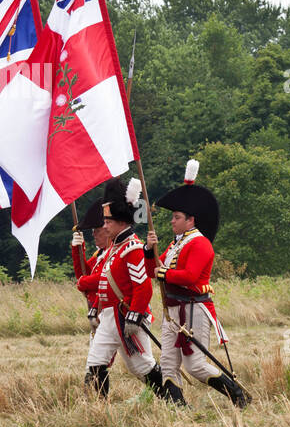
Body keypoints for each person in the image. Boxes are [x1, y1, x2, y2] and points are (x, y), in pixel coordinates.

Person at [145, 159, 245, 407]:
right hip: (172, 311)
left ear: (191, 220)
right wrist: (149, 251)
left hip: (193, 308)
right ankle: (179, 410)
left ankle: (238, 396)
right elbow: (153, 272)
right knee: (168, 363)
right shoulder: (175, 243)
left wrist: (165, 274)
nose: (172, 221)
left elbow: (189, 277)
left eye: (176, 217)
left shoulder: (200, 243)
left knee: (195, 365)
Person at [78, 179, 170, 399]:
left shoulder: (132, 248)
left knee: (142, 367)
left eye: (108, 221)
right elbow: (104, 285)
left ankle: (172, 400)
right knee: (95, 362)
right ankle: (99, 410)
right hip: (109, 316)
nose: (105, 225)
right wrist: (96, 310)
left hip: (126, 316)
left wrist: (135, 314)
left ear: (120, 221)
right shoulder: (115, 248)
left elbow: (143, 286)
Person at [71, 199, 108, 334]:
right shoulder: (100, 254)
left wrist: (83, 283)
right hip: (98, 310)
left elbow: (105, 278)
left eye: (97, 230)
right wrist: (77, 249)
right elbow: (84, 273)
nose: (93, 234)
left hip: (112, 311)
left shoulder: (114, 251)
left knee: (136, 355)